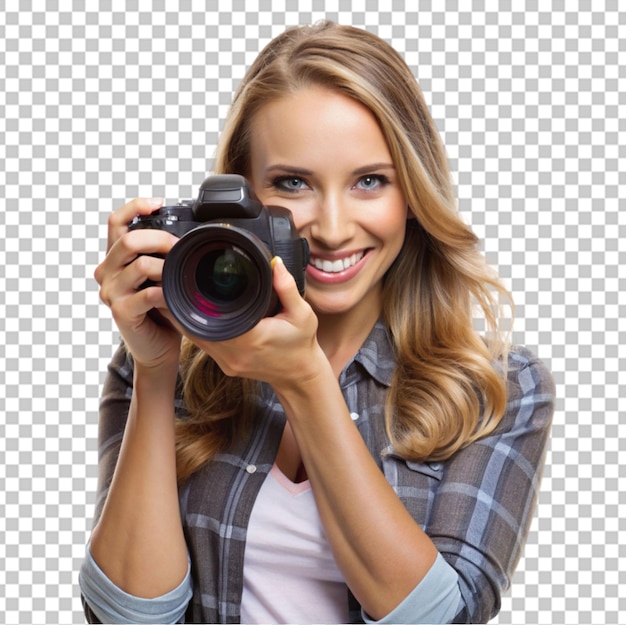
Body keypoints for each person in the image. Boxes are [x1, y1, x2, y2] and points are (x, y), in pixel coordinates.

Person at [79, 21, 554, 624]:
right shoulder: (171, 363)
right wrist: (152, 370)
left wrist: (306, 382)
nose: (331, 227)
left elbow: (443, 619)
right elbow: (128, 618)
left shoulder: (497, 387)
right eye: (293, 183)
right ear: (242, 196)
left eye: (369, 181)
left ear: (412, 191)